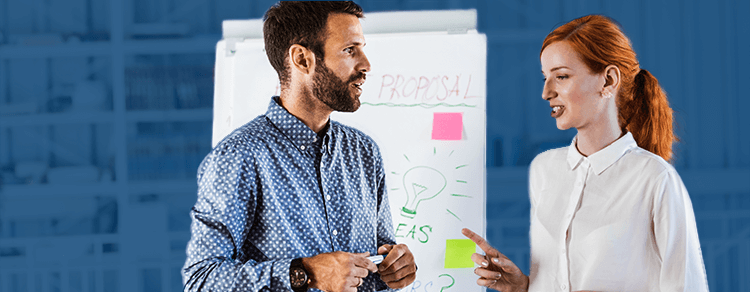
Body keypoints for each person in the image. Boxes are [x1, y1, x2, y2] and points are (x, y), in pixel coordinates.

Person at [182, 2, 417, 292]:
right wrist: (304, 272)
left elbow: (380, 257)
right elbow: (201, 280)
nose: (366, 64)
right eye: (349, 50)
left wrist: (395, 267)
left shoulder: (363, 153)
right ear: (302, 59)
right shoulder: (239, 157)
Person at [463, 15, 708, 292]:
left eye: (562, 76)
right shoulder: (544, 169)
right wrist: (523, 287)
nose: (546, 92)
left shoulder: (654, 178)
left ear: (608, 80)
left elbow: (689, 286)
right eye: (545, 78)